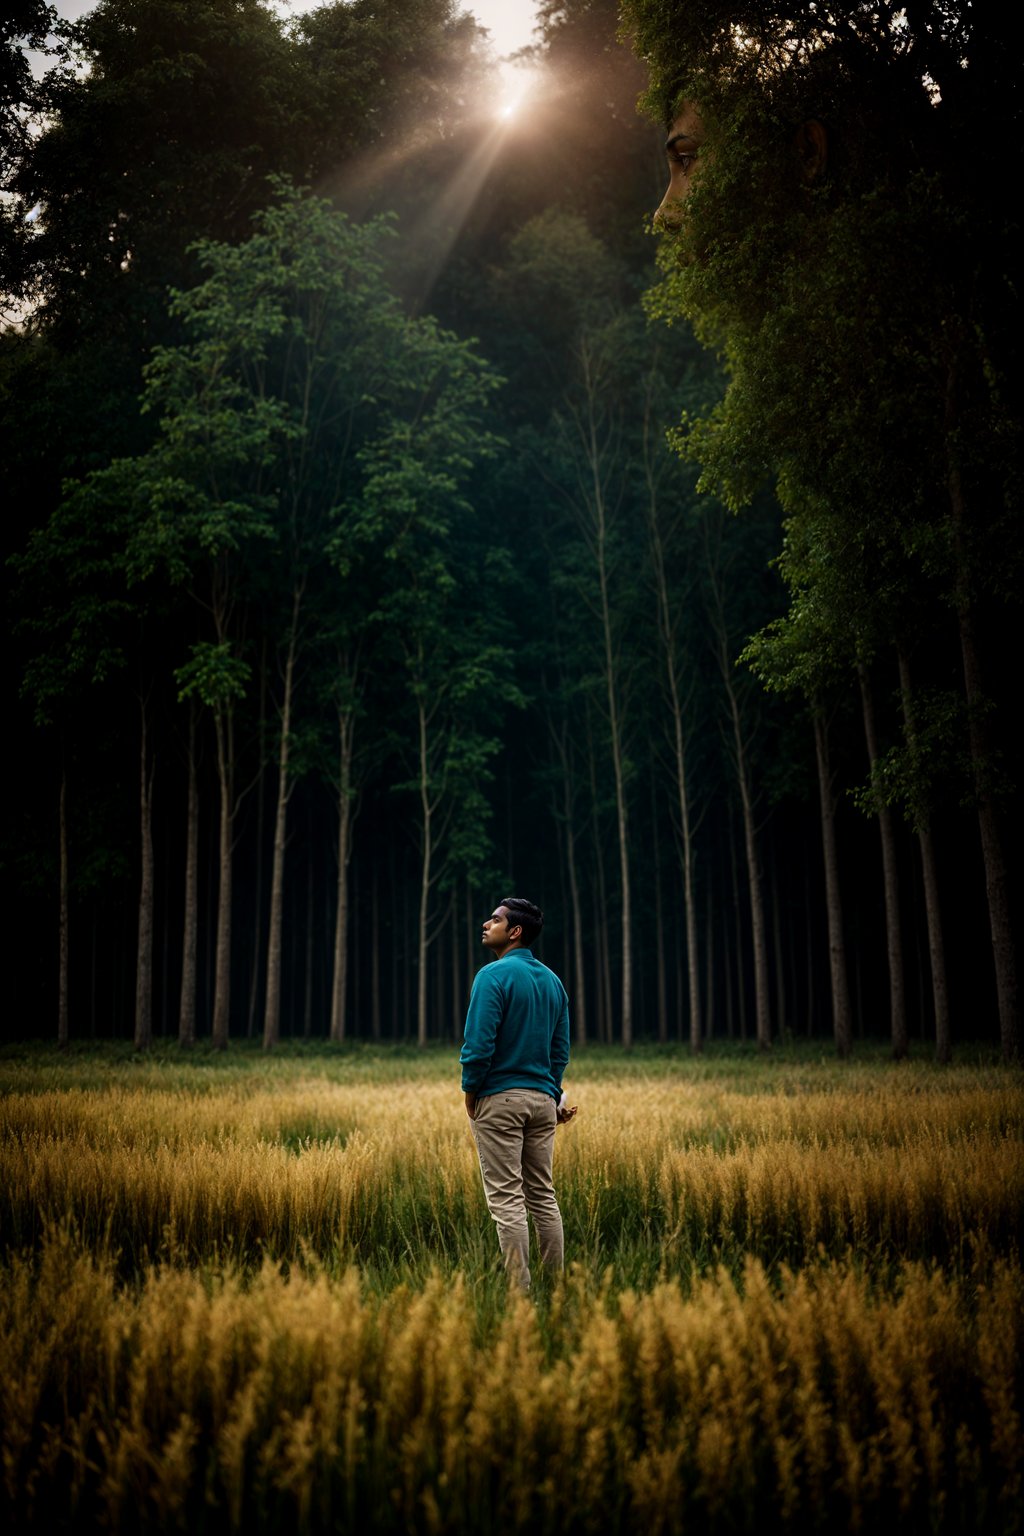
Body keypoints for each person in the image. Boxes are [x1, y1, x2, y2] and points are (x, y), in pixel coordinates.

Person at [459, 896, 577, 1290]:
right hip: (543, 1103)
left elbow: (478, 1045)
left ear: (515, 931)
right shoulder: (553, 981)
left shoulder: (491, 977)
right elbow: (560, 1049)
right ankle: (555, 1287)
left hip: (499, 1100)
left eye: (494, 919)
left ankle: (519, 1295)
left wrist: (470, 1093)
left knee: (507, 1200)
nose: (485, 923)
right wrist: (552, 1091)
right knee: (543, 1196)